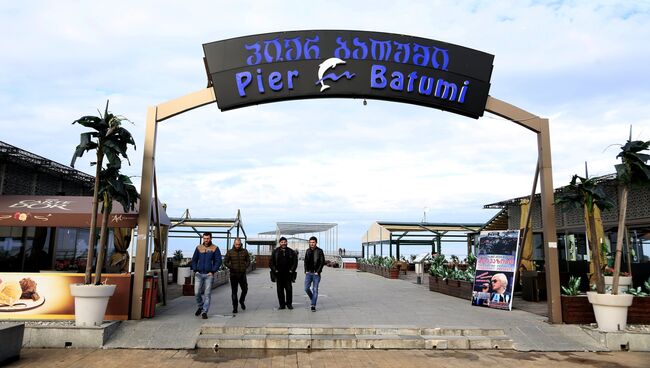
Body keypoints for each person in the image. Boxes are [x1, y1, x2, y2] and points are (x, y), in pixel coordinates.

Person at [191, 232, 222, 319]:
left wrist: (212, 271)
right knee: (196, 293)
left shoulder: (215, 248)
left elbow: (218, 261)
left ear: (211, 238)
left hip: (209, 275)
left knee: (207, 294)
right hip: (199, 274)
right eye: (204, 238)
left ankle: (204, 311)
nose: (206, 240)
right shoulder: (199, 248)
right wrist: (195, 270)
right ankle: (200, 307)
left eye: (207, 238)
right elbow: (194, 260)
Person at [224, 237, 250, 314]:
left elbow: (248, 260)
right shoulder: (230, 252)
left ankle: (241, 301)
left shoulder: (245, 251)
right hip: (233, 275)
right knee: (234, 292)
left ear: (240, 244)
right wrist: (231, 267)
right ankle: (235, 307)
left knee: (245, 289)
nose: (237, 246)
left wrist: (245, 267)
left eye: (239, 244)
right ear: (234, 244)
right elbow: (225, 261)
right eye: (236, 244)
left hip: (242, 274)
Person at [270, 237, 297, 309]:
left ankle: (289, 304)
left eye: (285, 242)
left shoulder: (291, 251)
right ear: (280, 243)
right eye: (282, 242)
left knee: (289, 289)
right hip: (278, 274)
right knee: (279, 290)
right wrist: (275, 270)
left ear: (287, 242)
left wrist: (292, 270)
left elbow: (295, 262)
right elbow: (271, 263)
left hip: (288, 274)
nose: (283, 243)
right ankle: (282, 304)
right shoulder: (275, 251)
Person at [304, 236, 325, 312]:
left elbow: (322, 262)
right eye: (310, 242)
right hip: (308, 273)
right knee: (306, 288)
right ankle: (313, 298)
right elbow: (305, 261)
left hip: (316, 274)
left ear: (316, 243)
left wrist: (318, 271)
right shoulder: (307, 251)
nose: (312, 244)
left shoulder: (320, 251)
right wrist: (305, 270)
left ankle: (313, 305)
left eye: (313, 242)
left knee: (315, 289)